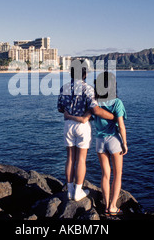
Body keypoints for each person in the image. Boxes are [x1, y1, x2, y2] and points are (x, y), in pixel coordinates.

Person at [64, 71, 127, 216]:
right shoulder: (117, 102)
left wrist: (68, 116)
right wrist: (125, 143)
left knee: (105, 174)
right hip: (114, 140)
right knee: (117, 174)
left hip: (100, 142)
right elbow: (121, 126)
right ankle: (112, 207)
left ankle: (105, 205)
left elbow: (85, 119)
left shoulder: (95, 102)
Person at [57, 62, 115, 201]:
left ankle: (70, 191)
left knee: (70, 158)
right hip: (82, 125)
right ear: (84, 74)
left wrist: (69, 113)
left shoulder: (64, 88)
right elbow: (95, 109)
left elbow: (60, 108)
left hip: (68, 124)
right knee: (81, 159)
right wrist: (113, 117)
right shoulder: (88, 89)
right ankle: (78, 191)